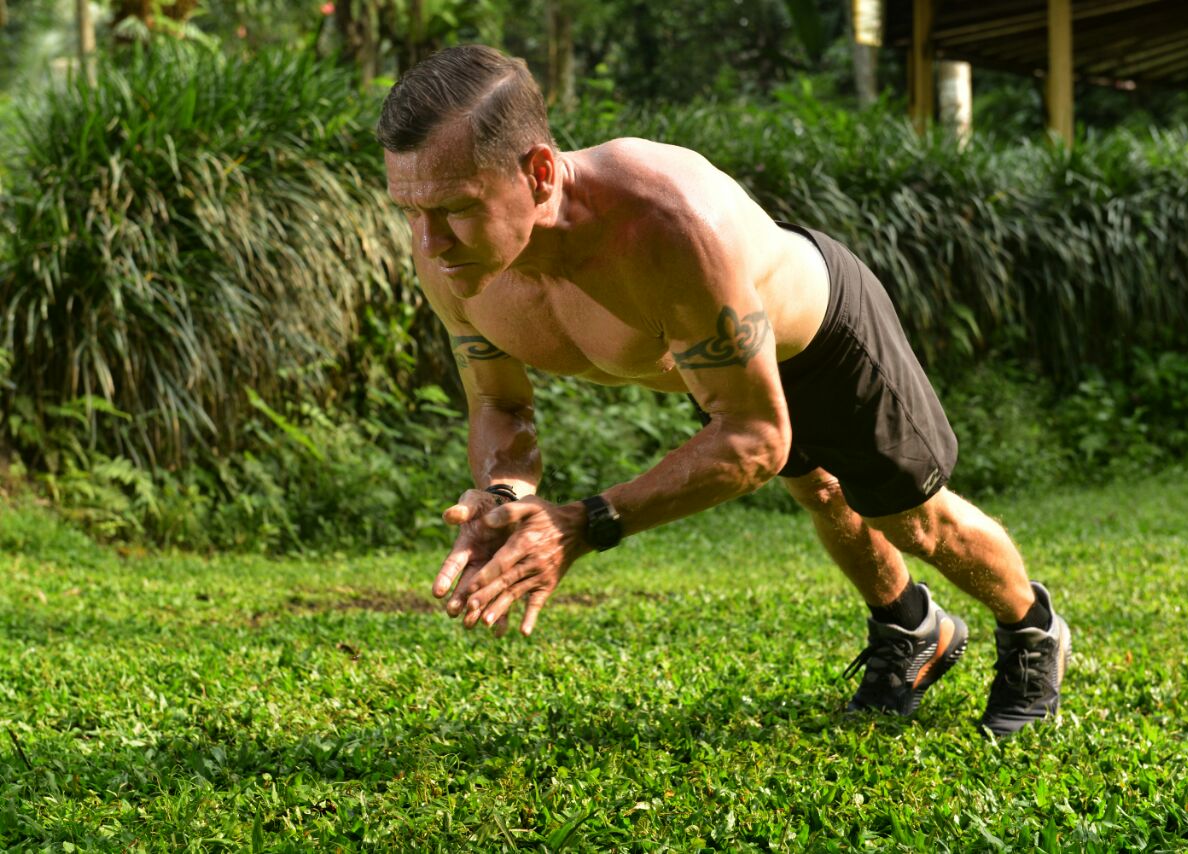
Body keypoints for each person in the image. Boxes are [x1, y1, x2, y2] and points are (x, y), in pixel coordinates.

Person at [377, 44, 1071, 735]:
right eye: (411, 211)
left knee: (909, 519)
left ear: (538, 172)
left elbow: (756, 439)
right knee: (821, 492)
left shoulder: (666, 223)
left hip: (823, 332)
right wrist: (504, 498)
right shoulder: (449, 254)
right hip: (715, 356)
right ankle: (913, 630)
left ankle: (1033, 630)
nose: (429, 241)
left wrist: (584, 524)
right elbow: (502, 405)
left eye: (455, 208)